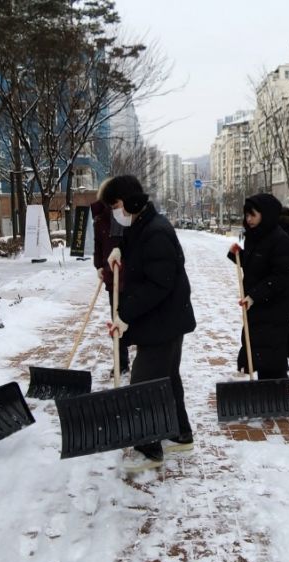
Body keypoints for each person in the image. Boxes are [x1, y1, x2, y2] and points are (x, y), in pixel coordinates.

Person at [101, 175, 197, 473]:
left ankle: (148, 448)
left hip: (162, 320)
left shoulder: (155, 230)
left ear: (130, 202)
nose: (115, 212)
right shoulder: (144, 225)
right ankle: (178, 433)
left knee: (143, 385)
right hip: (167, 319)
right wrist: (121, 253)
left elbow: (159, 284)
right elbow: (141, 256)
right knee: (166, 379)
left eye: (116, 205)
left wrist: (125, 315)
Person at [228, 193, 289, 379]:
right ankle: (267, 398)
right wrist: (237, 255)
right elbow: (258, 266)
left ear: (265, 214)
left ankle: (276, 401)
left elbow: (284, 276)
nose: (248, 219)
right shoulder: (256, 236)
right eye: (246, 215)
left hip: (274, 309)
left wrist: (254, 296)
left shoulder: (280, 239)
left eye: (253, 214)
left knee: (272, 359)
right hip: (259, 307)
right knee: (260, 355)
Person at [90, 181, 130, 376]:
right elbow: (98, 243)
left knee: (134, 320)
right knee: (116, 321)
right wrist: (99, 265)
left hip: (131, 275)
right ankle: (121, 362)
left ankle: (144, 362)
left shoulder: (128, 213)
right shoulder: (100, 217)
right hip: (111, 274)